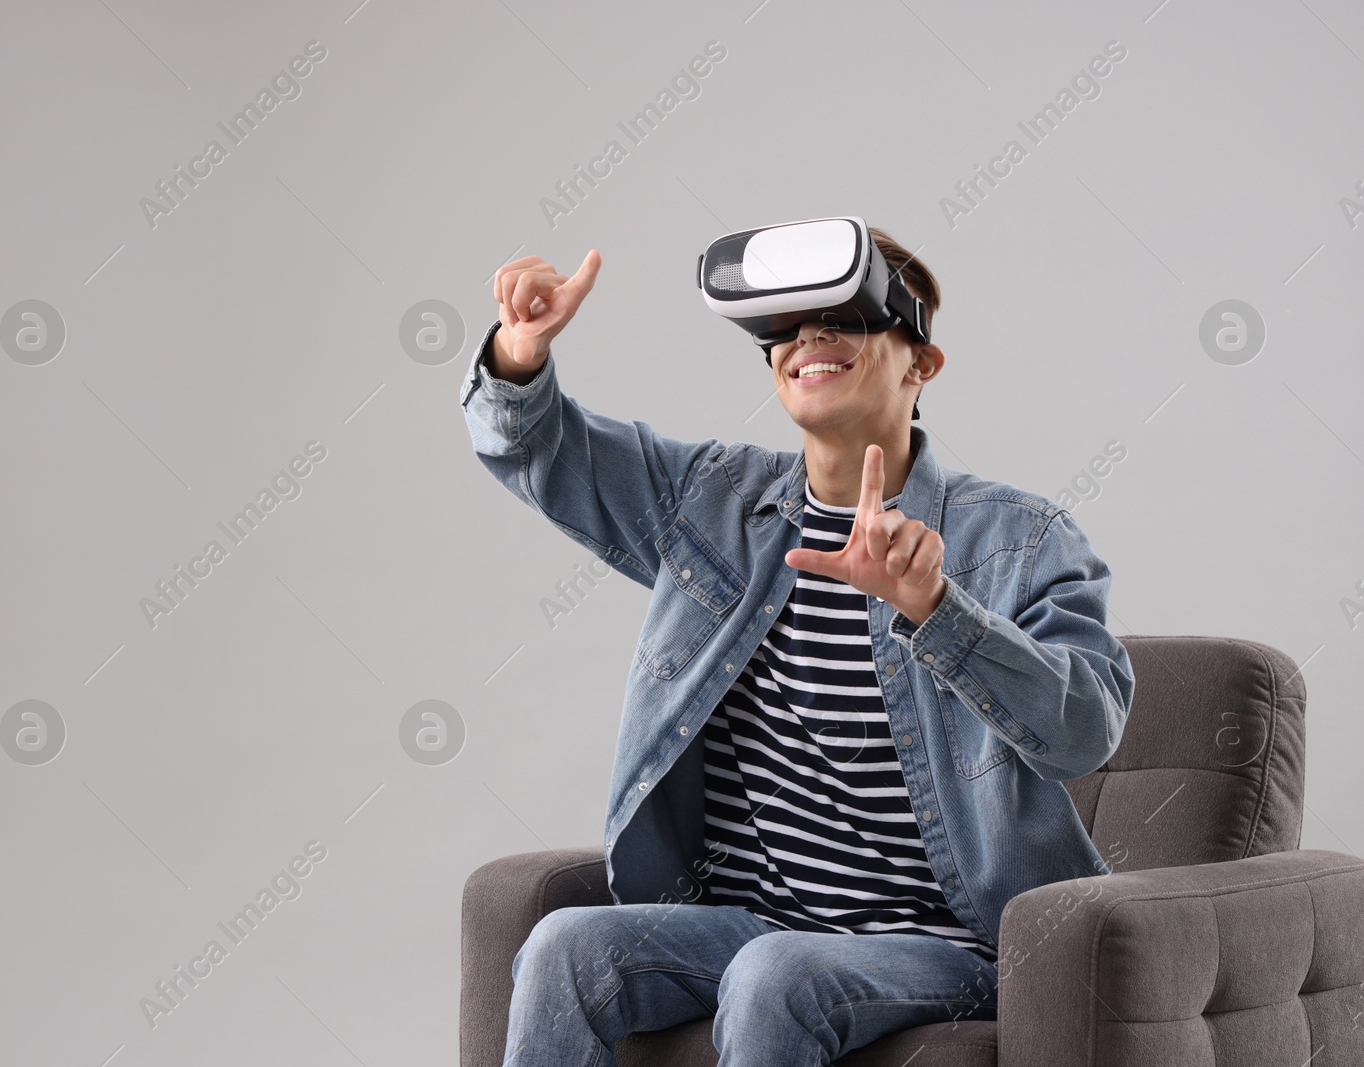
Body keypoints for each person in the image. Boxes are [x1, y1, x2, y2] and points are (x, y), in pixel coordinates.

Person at [457, 226, 1135, 1066]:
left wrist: (936, 610)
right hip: (755, 923)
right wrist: (517, 360)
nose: (809, 340)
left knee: (775, 973)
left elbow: (1083, 730)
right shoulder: (712, 501)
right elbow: (543, 451)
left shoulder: (1022, 538)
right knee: (565, 946)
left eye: (844, 318)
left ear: (920, 364)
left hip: (952, 943)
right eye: (785, 326)